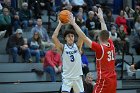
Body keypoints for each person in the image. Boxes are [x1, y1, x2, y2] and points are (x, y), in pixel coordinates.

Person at [70, 8, 117, 93]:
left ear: (99, 38)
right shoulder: (111, 44)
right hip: (113, 80)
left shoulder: (100, 48)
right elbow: (105, 31)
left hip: (104, 81)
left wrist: (74, 24)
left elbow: (83, 37)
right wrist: (101, 19)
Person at [52, 19, 84, 92]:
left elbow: (82, 35)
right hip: (67, 78)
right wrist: (60, 24)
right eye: (68, 36)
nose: (70, 37)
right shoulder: (62, 47)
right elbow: (54, 37)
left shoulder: (78, 46)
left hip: (77, 78)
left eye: (72, 36)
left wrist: (73, 24)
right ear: (65, 38)